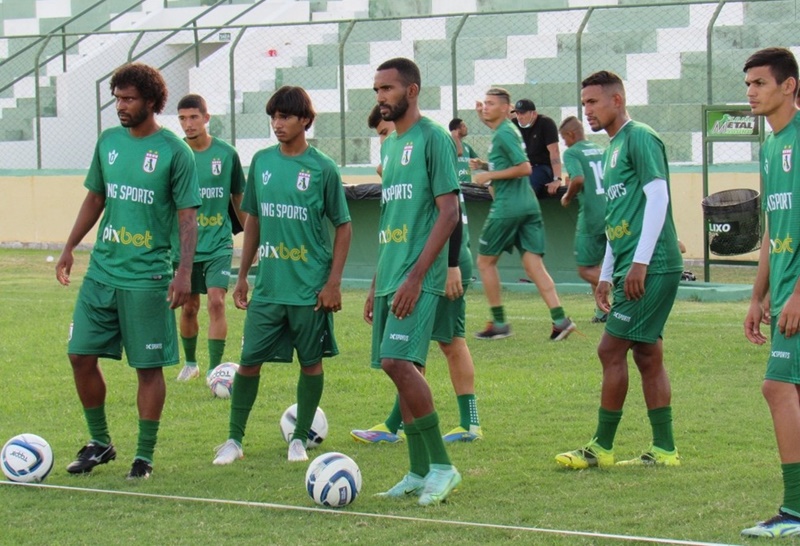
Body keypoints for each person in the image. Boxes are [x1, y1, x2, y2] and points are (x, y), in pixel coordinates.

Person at [56, 62, 201, 480]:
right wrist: (69, 247)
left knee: (147, 368)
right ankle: (100, 443)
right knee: (80, 355)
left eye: (129, 99)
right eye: (117, 98)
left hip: (147, 276)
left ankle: (144, 456)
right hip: (102, 270)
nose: (121, 106)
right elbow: (96, 197)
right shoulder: (108, 142)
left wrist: (184, 272)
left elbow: (187, 218)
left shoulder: (175, 151)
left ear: (152, 102)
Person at [212, 85, 351, 465]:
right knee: (249, 362)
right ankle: (234, 441)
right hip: (269, 287)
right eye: (273, 117)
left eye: (285, 117)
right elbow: (252, 220)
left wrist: (333, 282)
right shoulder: (261, 162)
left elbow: (343, 226)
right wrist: (243, 275)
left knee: (311, 363)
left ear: (305, 120)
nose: (278, 124)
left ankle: (299, 440)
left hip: (309, 288)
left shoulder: (322, 167)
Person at [555, 70, 683, 470]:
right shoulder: (610, 150)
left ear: (618, 99)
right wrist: (608, 272)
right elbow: (617, 218)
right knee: (647, 354)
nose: (587, 111)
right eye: (584, 104)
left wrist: (640, 262)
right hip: (630, 263)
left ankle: (600, 449)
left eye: (594, 102)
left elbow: (658, 197)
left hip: (653, 264)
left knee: (610, 349)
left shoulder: (640, 137)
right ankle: (664, 450)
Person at [351, 111, 483, 445]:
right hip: (411, 264)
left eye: (385, 132)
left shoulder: (427, 145)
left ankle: (468, 424)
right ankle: (396, 425)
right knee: (411, 351)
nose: (384, 139)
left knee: (450, 341)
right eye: (379, 135)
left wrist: (453, 265)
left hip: (444, 264)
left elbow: (452, 214)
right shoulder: (397, 158)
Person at [365, 57, 461, 505]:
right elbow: (391, 216)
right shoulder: (388, 146)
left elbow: (449, 211)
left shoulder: (434, 138)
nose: (382, 97)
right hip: (390, 273)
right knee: (403, 371)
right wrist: (375, 283)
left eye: (388, 88)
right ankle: (419, 470)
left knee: (398, 364)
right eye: (377, 90)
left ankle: (442, 465)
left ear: (413, 90)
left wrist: (417, 277)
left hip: (417, 277)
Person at [740, 47, 800, 539]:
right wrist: (757, 295)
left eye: (760, 83)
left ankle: (796, 510)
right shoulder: (768, 147)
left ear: (789, 86)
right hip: (781, 292)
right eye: (748, 84)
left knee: (776, 387)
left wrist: (798, 294)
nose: (751, 92)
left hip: (799, 295)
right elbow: (771, 231)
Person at [471, 88, 576, 341]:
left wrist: (489, 175)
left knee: (485, 263)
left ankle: (499, 323)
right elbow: (509, 162)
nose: (485, 107)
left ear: (507, 109)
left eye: (491, 104)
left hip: (509, 206)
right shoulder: (504, 131)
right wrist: (485, 164)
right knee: (533, 265)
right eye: (484, 103)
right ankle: (561, 320)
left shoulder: (505, 134)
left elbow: (524, 168)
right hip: (528, 206)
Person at [173, 94, 246, 382]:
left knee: (216, 300)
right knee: (189, 306)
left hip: (218, 241)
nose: (188, 124)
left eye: (193, 117)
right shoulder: (176, 154)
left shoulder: (227, 154)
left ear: (206, 118)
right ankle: (190, 363)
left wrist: (252, 237)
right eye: (182, 118)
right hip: (186, 245)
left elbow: (238, 197)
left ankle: (216, 370)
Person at [558, 115, 608, 323]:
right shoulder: (600, 149)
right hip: (611, 211)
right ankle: (603, 312)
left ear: (571, 134)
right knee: (597, 263)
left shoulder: (572, 153)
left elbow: (578, 179)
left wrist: (567, 196)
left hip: (591, 217)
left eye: (564, 138)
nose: (564, 143)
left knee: (585, 269)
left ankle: (623, 291)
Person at [511, 99, 563, 199]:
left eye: (522, 113)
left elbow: (554, 151)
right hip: (522, 167)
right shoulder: (514, 125)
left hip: (541, 167)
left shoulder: (546, 123)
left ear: (533, 113)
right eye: (517, 113)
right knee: (495, 185)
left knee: (527, 187)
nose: (519, 117)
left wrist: (557, 179)